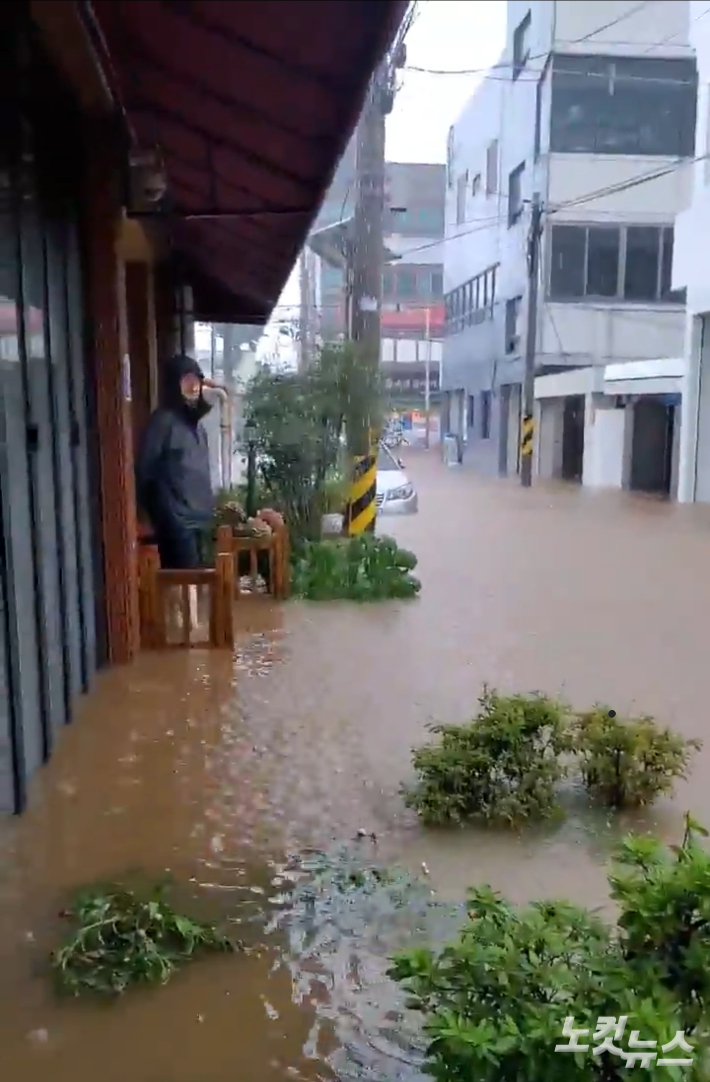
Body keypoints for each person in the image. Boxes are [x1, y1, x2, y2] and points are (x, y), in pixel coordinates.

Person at [135, 354, 215, 569]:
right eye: (187, 381)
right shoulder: (162, 422)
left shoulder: (198, 427)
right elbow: (145, 472)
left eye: (196, 381)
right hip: (177, 524)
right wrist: (159, 517)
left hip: (202, 521)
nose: (194, 387)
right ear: (174, 384)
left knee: (203, 588)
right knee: (182, 588)